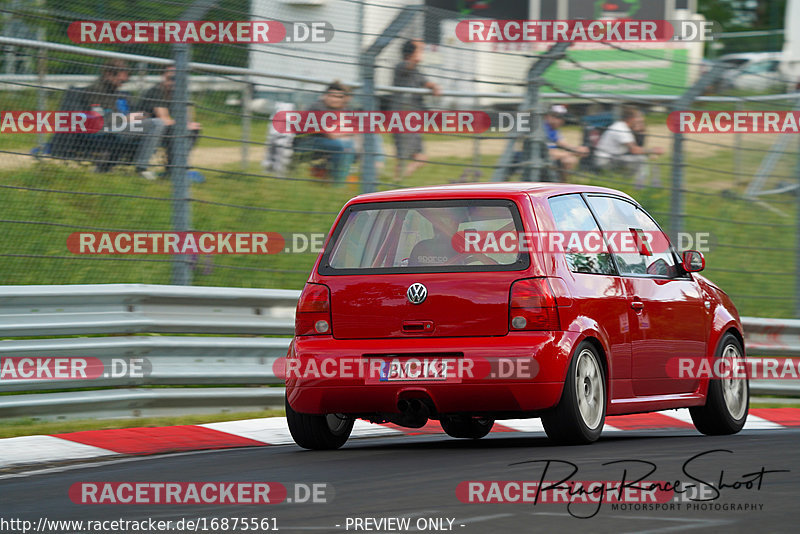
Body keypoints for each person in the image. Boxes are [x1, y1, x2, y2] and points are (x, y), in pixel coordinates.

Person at [64, 59, 165, 179]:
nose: (121, 84)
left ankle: (113, 167)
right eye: (120, 80)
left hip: (118, 127)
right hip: (104, 130)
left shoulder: (115, 92)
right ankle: (142, 168)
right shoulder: (95, 91)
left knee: (154, 123)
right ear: (108, 74)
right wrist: (126, 118)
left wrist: (137, 117)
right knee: (157, 124)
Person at [135, 66, 202, 177]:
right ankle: (142, 167)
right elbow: (164, 119)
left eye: (177, 79)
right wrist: (184, 124)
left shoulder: (179, 94)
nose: (173, 82)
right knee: (168, 125)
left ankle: (177, 167)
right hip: (141, 128)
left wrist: (189, 124)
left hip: (163, 131)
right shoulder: (156, 91)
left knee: (193, 130)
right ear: (163, 77)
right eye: (171, 78)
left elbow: (188, 118)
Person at [392, 39, 441, 182]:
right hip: (400, 118)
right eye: (419, 49)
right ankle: (396, 181)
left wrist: (434, 86)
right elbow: (409, 66)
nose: (422, 53)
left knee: (421, 157)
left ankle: (399, 180)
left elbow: (426, 82)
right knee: (402, 155)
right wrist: (416, 57)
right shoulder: (401, 67)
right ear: (410, 52)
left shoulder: (417, 71)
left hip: (413, 119)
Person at [302, 81, 356, 185]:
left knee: (353, 146)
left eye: (339, 97)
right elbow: (331, 134)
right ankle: (338, 183)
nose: (334, 99)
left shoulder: (344, 109)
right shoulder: (318, 108)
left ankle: (330, 176)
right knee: (345, 146)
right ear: (325, 96)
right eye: (331, 96)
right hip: (309, 142)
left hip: (329, 141)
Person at [595, 106, 664, 185]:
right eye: (638, 118)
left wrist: (640, 131)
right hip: (606, 160)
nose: (640, 120)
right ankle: (639, 186)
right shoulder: (621, 129)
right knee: (640, 159)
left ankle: (630, 183)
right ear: (631, 118)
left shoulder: (623, 127)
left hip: (613, 157)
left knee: (640, 159)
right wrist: (653, 150)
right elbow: (634, 150)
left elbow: (638, 146)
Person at [543, 104, 590, 181]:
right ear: (547, 116)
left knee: (570, 159)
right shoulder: (543, 129)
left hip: (551, 157)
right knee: (569, 160)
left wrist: (577, 149)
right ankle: (562, 184)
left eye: (562, 118)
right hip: (542, 157)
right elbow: (548, 153)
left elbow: (563, 144)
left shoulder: (554, 130)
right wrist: (573, 152)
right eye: (556, 117)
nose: (560, 121)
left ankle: (562, 184)